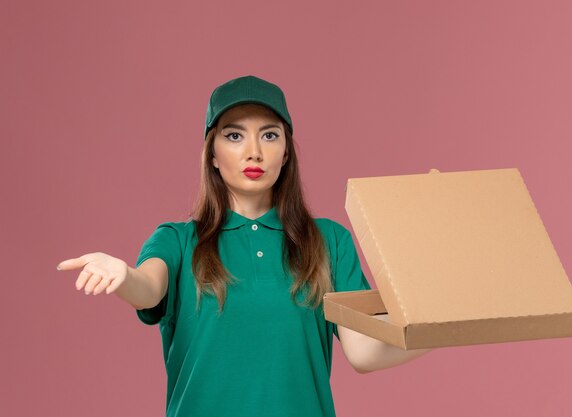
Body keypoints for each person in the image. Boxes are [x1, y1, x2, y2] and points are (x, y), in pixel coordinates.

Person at [56, 75, 432, 417]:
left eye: (270, 135)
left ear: (286, 152)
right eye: (234, 136)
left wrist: (451, 326)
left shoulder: (329, 241)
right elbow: (148, 289)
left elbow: (365, 351)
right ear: (213, 155)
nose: (254, 151)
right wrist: (123, 276)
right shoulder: (177, 240)